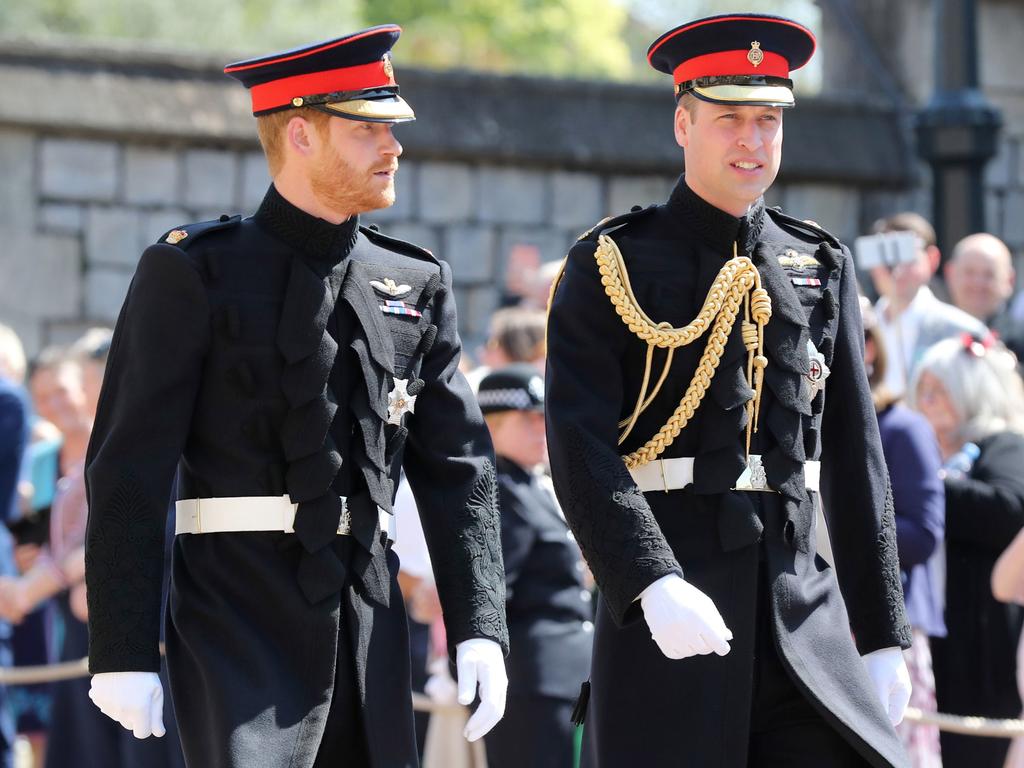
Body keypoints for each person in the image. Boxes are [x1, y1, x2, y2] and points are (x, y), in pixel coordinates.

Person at [83, 25, 508, 768]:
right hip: (234, 611)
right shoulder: (195, 272)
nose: (393, 146)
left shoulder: (414, 282)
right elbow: (128, 468)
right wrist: (121, 647)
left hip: (369, 616)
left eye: (393, 127)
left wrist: (481, 622)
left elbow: (460, 471)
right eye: (369, 128)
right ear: (303, 133)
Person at [546, 13, 913, 767]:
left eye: (769, 120)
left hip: (800, 618)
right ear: (683, 123)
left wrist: (882, 633)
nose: (752, 140)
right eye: (730, 119)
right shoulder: (611, 261)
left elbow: (854, 457)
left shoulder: (819, 260)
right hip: (673, 614)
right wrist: (649, 581)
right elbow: (579, 447)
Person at [907, 335, 1024, 768]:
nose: (928, 401)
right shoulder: (924, 448)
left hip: (985, 640)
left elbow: (1009, 511)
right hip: (937, 635)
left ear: (972, 391)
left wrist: (926, 487)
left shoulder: (1004, 445)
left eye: (941, 390)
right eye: (924, 389)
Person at [476, 365, 593, 768]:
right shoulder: (500, 492)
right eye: (527, 421)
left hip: (564, 676)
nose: (541, 431)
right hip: (532, 678)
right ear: (492, 426)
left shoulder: (530, 486)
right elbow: (492, 592)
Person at [861, 298, 945, 767]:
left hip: (892, 626)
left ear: (869, 347)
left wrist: (839, 534)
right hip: (821, 622)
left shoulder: (903, 428)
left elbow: (924, 534)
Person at [868, 212, 986, 398]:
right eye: (883, 255)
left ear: (931, 259)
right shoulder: (859, 325)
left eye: (906, 255)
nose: (895, 268)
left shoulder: (963, 330)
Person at [944, 233, 1024, 361]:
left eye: (989, 274)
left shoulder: (1019, 342)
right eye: (969, 272)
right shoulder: (930, 336)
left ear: (1010, 280)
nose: (978, 283)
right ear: (950, 273)